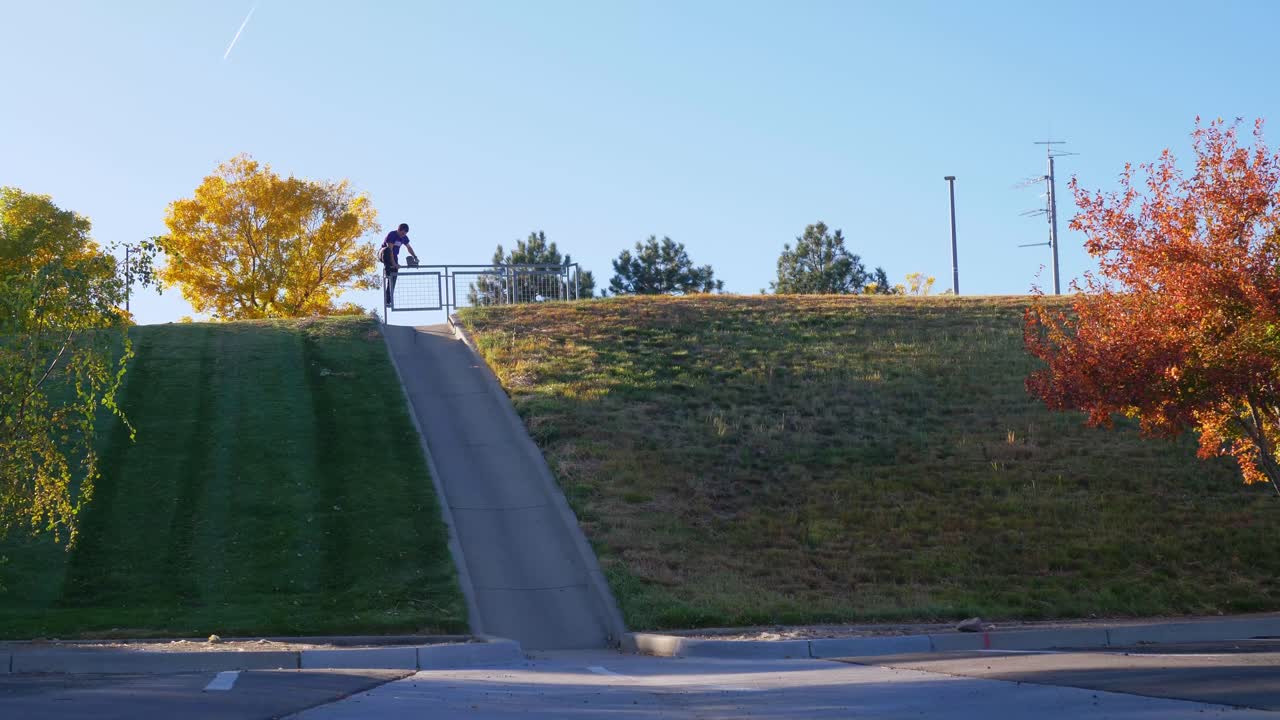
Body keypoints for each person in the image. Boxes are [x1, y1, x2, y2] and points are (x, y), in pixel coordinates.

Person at [380, 223, 419, 307]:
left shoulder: (404, 237)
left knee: (393, 278)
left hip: (394, 256)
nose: (403, 235)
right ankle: (387, 270)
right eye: (402, 233)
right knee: (387, 251)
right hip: (383, 254)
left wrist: (415, 256)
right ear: (398, 230)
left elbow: (409, 247)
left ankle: (388, 300)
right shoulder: (392, 235)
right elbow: (390, 250)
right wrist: (394, 263)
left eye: (404, 234)